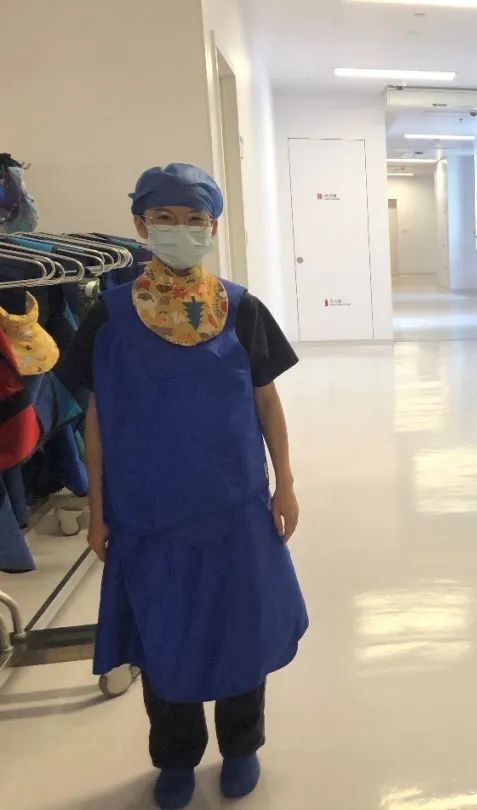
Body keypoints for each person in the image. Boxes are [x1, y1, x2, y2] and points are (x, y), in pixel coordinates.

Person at [58, 163, 308, 810]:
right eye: (164, 218)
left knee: (238, 627)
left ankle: (242, 746)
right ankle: (175, 758)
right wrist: (97, 508)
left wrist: (284, 484)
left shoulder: (240, 307)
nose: (180, 230)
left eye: (195, 219)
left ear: (213, 228)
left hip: (234, 505)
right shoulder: (110, 316)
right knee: (164, 634)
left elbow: (266, 401)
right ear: (140, 226)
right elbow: (96, 417)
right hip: (148, 512)